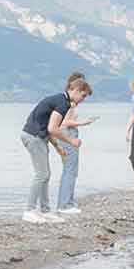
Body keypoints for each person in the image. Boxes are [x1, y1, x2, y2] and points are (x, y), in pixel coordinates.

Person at [20, 73, 93, 224]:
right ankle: (29, 210)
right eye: (83, 95)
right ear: (76, 90)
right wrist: (71, 140)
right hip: (33, 136)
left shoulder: (61, 100)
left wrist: (58, 147)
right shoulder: (63, 103)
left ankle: (45, 211)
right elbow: (53, 128)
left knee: (45, 174)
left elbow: (48, 127)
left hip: (38, 136)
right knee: (42, 174)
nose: (82, 99)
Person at [53, 91, 95, 215]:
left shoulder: (68, 102)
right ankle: (64, 205)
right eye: (83, 94)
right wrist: (83, 122)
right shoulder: (69, 103)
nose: (83, 97)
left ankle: (67, 202)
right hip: (68, 135)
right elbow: (64, 122)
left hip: (67, 135)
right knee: (70, 170)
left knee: (71, 170)